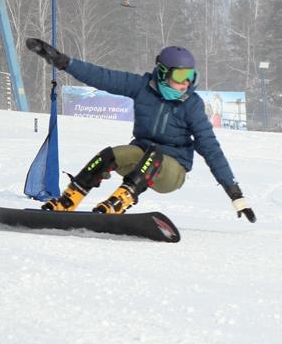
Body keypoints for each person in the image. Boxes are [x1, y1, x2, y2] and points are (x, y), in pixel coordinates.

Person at [25, 38, 256, 221]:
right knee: (109, 155)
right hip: (142, 158)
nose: (187, 83)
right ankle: (68, 200)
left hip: (171, 171)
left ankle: (119, 202)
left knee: (153, 157)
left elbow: (211, 148)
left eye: (190, 76)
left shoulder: (192, 105)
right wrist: (64, 62)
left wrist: (235, 194)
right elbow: (103, 77)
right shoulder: (142, 87)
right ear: (164, 72)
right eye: (181, 75)